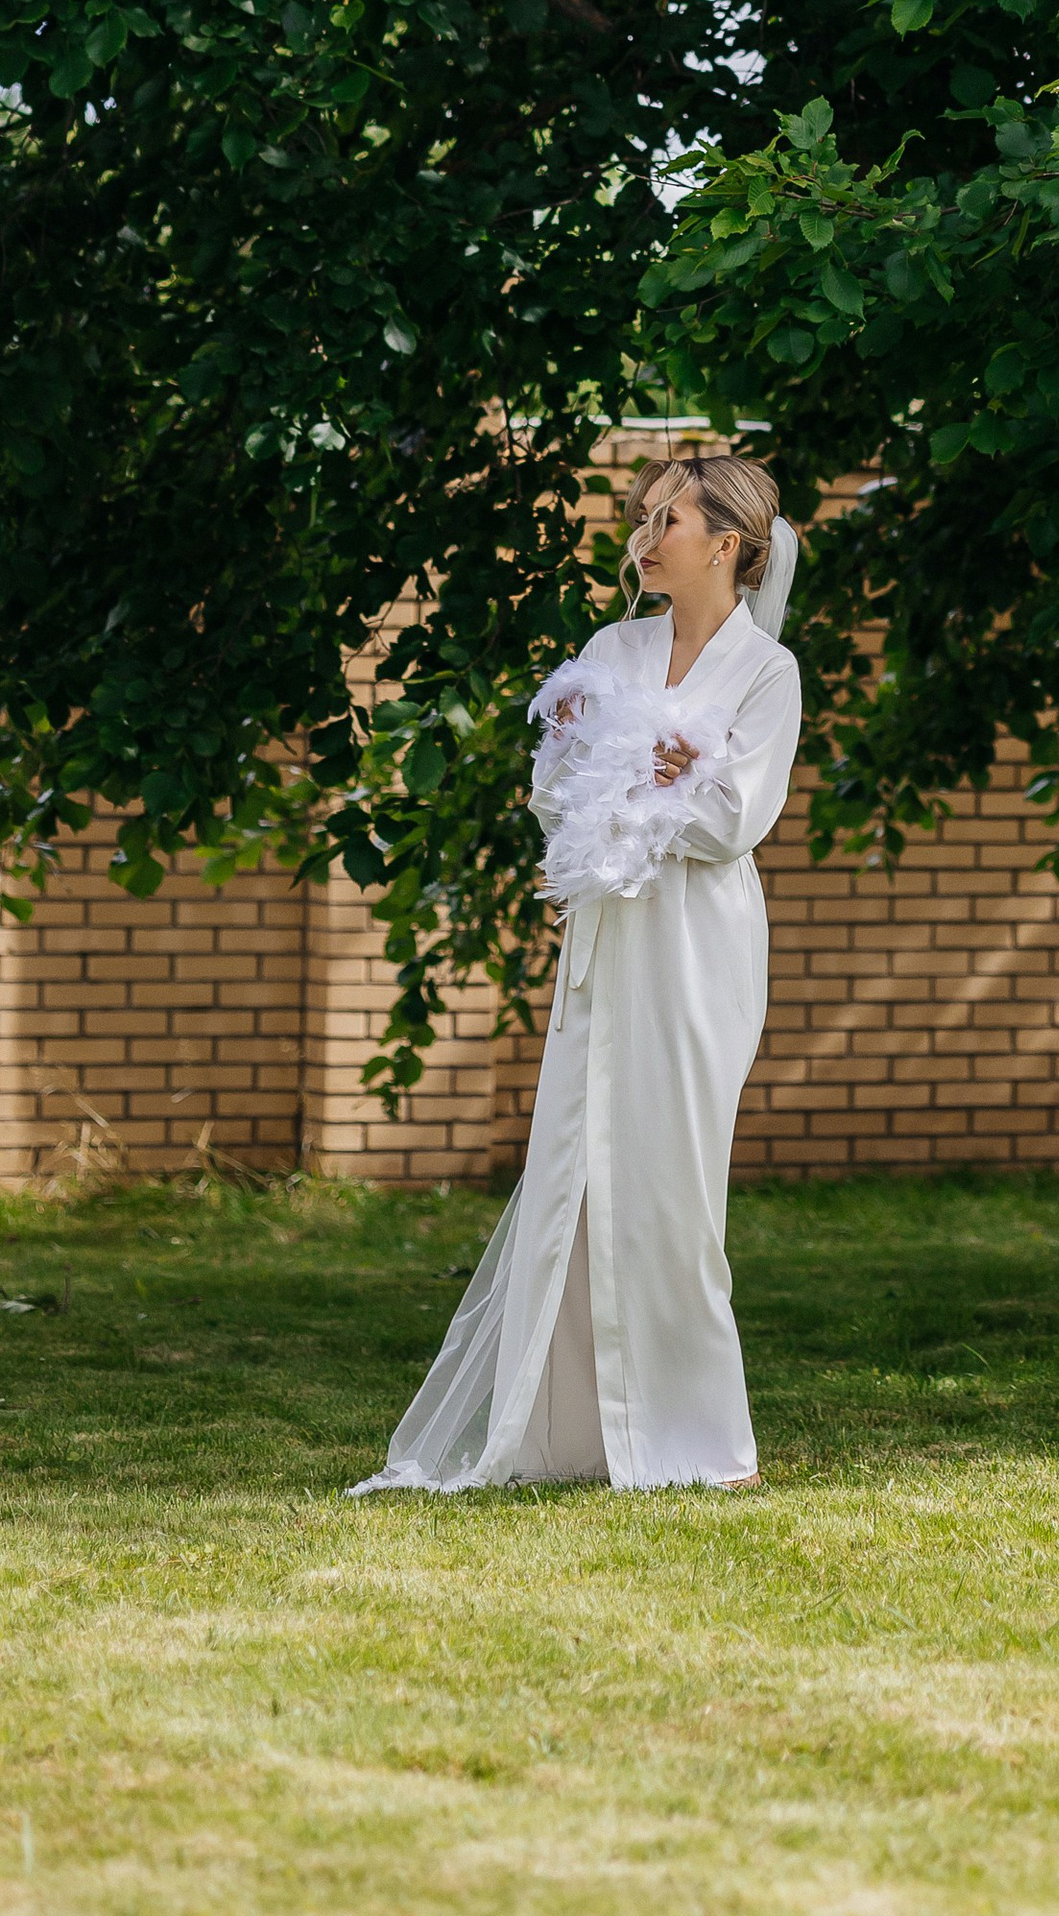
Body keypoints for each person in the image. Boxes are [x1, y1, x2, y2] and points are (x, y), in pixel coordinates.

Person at [348, 451, 804, 1494]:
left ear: (727, 543)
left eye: (667, 520)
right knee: (578, 1170)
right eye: (641, 519)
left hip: (696, 949)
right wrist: (596, 757)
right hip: (607, 938)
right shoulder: (614, 645)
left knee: (673, 1189)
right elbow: (560, 794)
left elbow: (738, 821)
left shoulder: (765, 673)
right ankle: (574, 1434)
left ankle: (702, 1443)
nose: (645, 538)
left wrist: (673, 777)